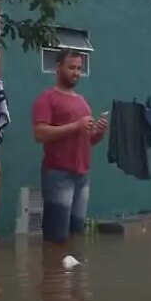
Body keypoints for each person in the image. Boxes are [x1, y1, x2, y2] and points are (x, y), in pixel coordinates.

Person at [31, 50, 107, 244]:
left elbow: (87, 139)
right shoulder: (46, 98)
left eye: (79, 68)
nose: (76, 72)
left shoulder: (82, 101)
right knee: (56, 238)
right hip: (58, 175)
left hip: (82, 176)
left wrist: (97, 132)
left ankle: (71, 274)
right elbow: (39, 133)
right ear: (58, 68)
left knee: (77, 234)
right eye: (71, 67)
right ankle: (54, 273)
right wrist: (76, 126)